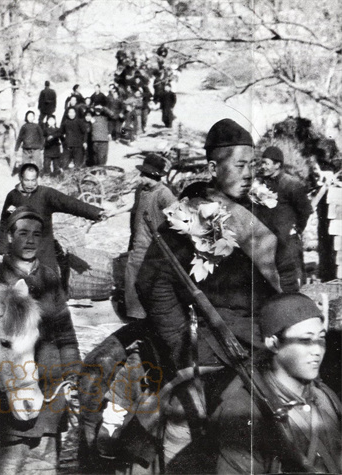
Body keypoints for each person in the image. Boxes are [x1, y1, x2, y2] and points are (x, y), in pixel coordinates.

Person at [137, 119, 284, 376]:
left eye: (252, 165)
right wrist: (181, 341)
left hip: (266, 333)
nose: (248, 174)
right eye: (239, 165)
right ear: (214, 169)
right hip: (216, 344)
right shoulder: (190, 215)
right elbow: (152, 282)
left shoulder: (260, 210)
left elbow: (284, 272)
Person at [0, 207, 81, 474]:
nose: (30, 240)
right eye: (23, 233)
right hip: (7, 402)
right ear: (9, 237)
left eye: (37, 234)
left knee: (44, 467)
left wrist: (73, 372)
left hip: (49, 395)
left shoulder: (49, 277)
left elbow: (65, 332)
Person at [212, 293, 341, 474]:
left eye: (321, 338)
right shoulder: (245, 411)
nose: (317, 350)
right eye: (305, 340)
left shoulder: (325, 396)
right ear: (273, 344)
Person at [0, 163, 106, 274]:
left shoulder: (46, 194)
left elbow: (69, 203)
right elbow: (5, 221)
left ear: (37, 179)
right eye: (27, 180)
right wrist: (3, 248)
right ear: (21, 178)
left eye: (33, 180)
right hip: (21, 247)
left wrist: (96, 212)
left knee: (48, 278)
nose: (30, 184)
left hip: (44, 247)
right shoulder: (13, 196)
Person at [124, 154, 176, 320]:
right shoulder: (141, 190)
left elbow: (178, 217)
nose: (140, 177)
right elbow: (134, 208)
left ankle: (144, 314)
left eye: (144, 174)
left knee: (144, 278)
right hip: (138, 241)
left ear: (153, 176)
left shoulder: (164, 194)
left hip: (152, 245)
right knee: (132, 273)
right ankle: (136, 314)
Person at [258, 145, 313, 285]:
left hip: (288, 240)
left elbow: (305, 210)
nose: (263, 166)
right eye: (262, 163)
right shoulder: (261, 184)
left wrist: (297, 228)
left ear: (277, 165)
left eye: (266, 163)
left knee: (293, 278)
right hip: (269, 240)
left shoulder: (291, 184)